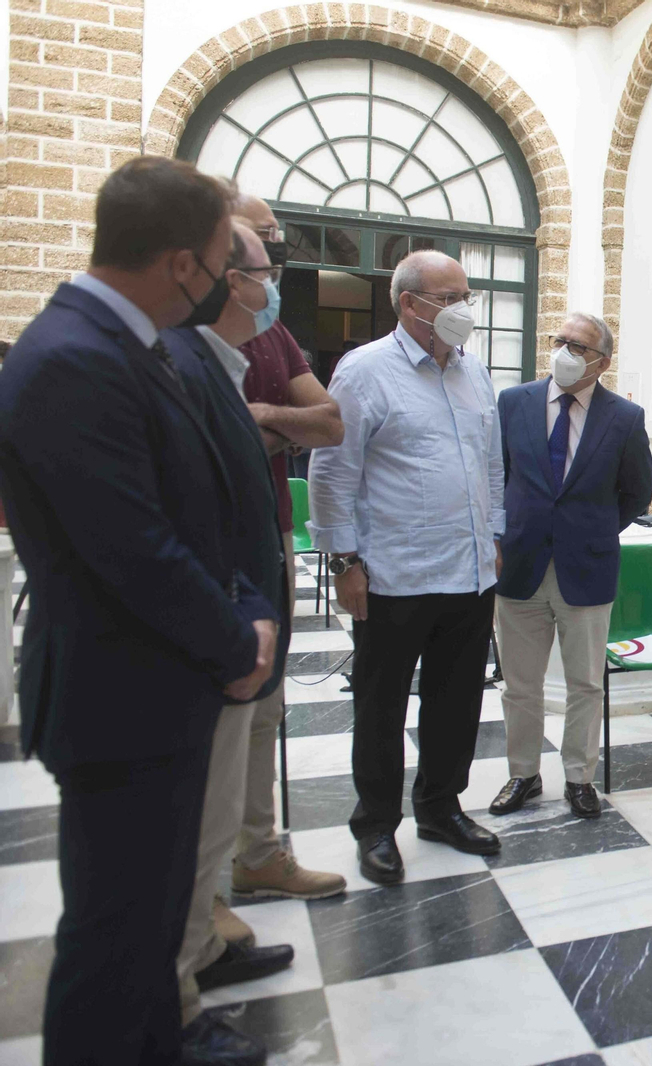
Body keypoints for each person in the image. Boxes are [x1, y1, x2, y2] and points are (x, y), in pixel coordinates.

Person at [0, 157, 278, 1066]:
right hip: (116, 692)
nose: (228, 282)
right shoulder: (72, 358)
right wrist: (238, 638)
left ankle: (161, 1041)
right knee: (111, 940)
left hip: (158, 688)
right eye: (218, 260)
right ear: (178, 263)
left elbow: (195, 507)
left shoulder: (133, 343)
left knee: (152, 927)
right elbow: (134, 548)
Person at [309, 249, 505, 885]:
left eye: (464, 296)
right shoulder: (365, 371)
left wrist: (495, 534)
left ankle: (440, 807)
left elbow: (492, 465)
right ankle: (375, 826)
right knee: (382, 704)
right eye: (446, 299)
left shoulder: (476, 375)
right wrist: (343, 560)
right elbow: (334, 471)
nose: (461, 310)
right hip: (394, 575)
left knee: (456, 702)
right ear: (408, 305)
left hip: (469, 572)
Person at [162, 218, 304, 1066]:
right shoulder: (170, 361)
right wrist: (236, 619)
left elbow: (319, 427)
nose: (269, 282)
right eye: (258, 265)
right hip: (207, 639)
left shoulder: (219, 359)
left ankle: (199, 960)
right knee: (180, 836)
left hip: (239, 618)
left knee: (210, 825)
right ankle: (171, 1011)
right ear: (206, 270)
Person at [228, 194, 347, 906]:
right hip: (206, 538)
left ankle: (257, 850)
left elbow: (329, 423)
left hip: (268, 529)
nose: (275, 258)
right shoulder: (173, 334)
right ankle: (203, 891)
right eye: (261, 243)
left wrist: (265, 418)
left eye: (276, 241)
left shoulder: (273, 338)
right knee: (213, 709)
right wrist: (265, 430)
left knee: (266, 704)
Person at [490, 312, 652, 818]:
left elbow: (636, 493)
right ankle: (523, 774)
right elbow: (499, 476)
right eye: (561, 341)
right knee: (520, 683)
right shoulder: (514, 402)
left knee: (585, 682)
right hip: (519, 563)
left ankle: (580, 776)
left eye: (578, 346)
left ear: (602, 361)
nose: (564, 351)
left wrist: (594, 531)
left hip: (587, 566)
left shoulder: (624, 417)